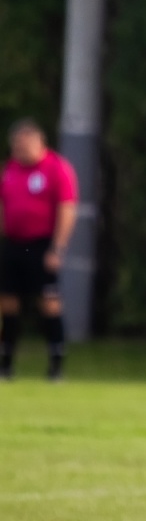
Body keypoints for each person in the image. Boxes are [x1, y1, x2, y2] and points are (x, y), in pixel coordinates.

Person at [0, 119, 77, 381]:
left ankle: (56, 366)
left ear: (39, 142)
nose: (19, 151)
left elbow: (67, 208)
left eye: (24, 145)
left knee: (49, 303)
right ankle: (6, 364)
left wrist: (57, 247)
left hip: (42, 244)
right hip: (13, 244)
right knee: (8, 303)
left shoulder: (56, 169)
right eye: (15, 146)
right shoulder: (9, 170)